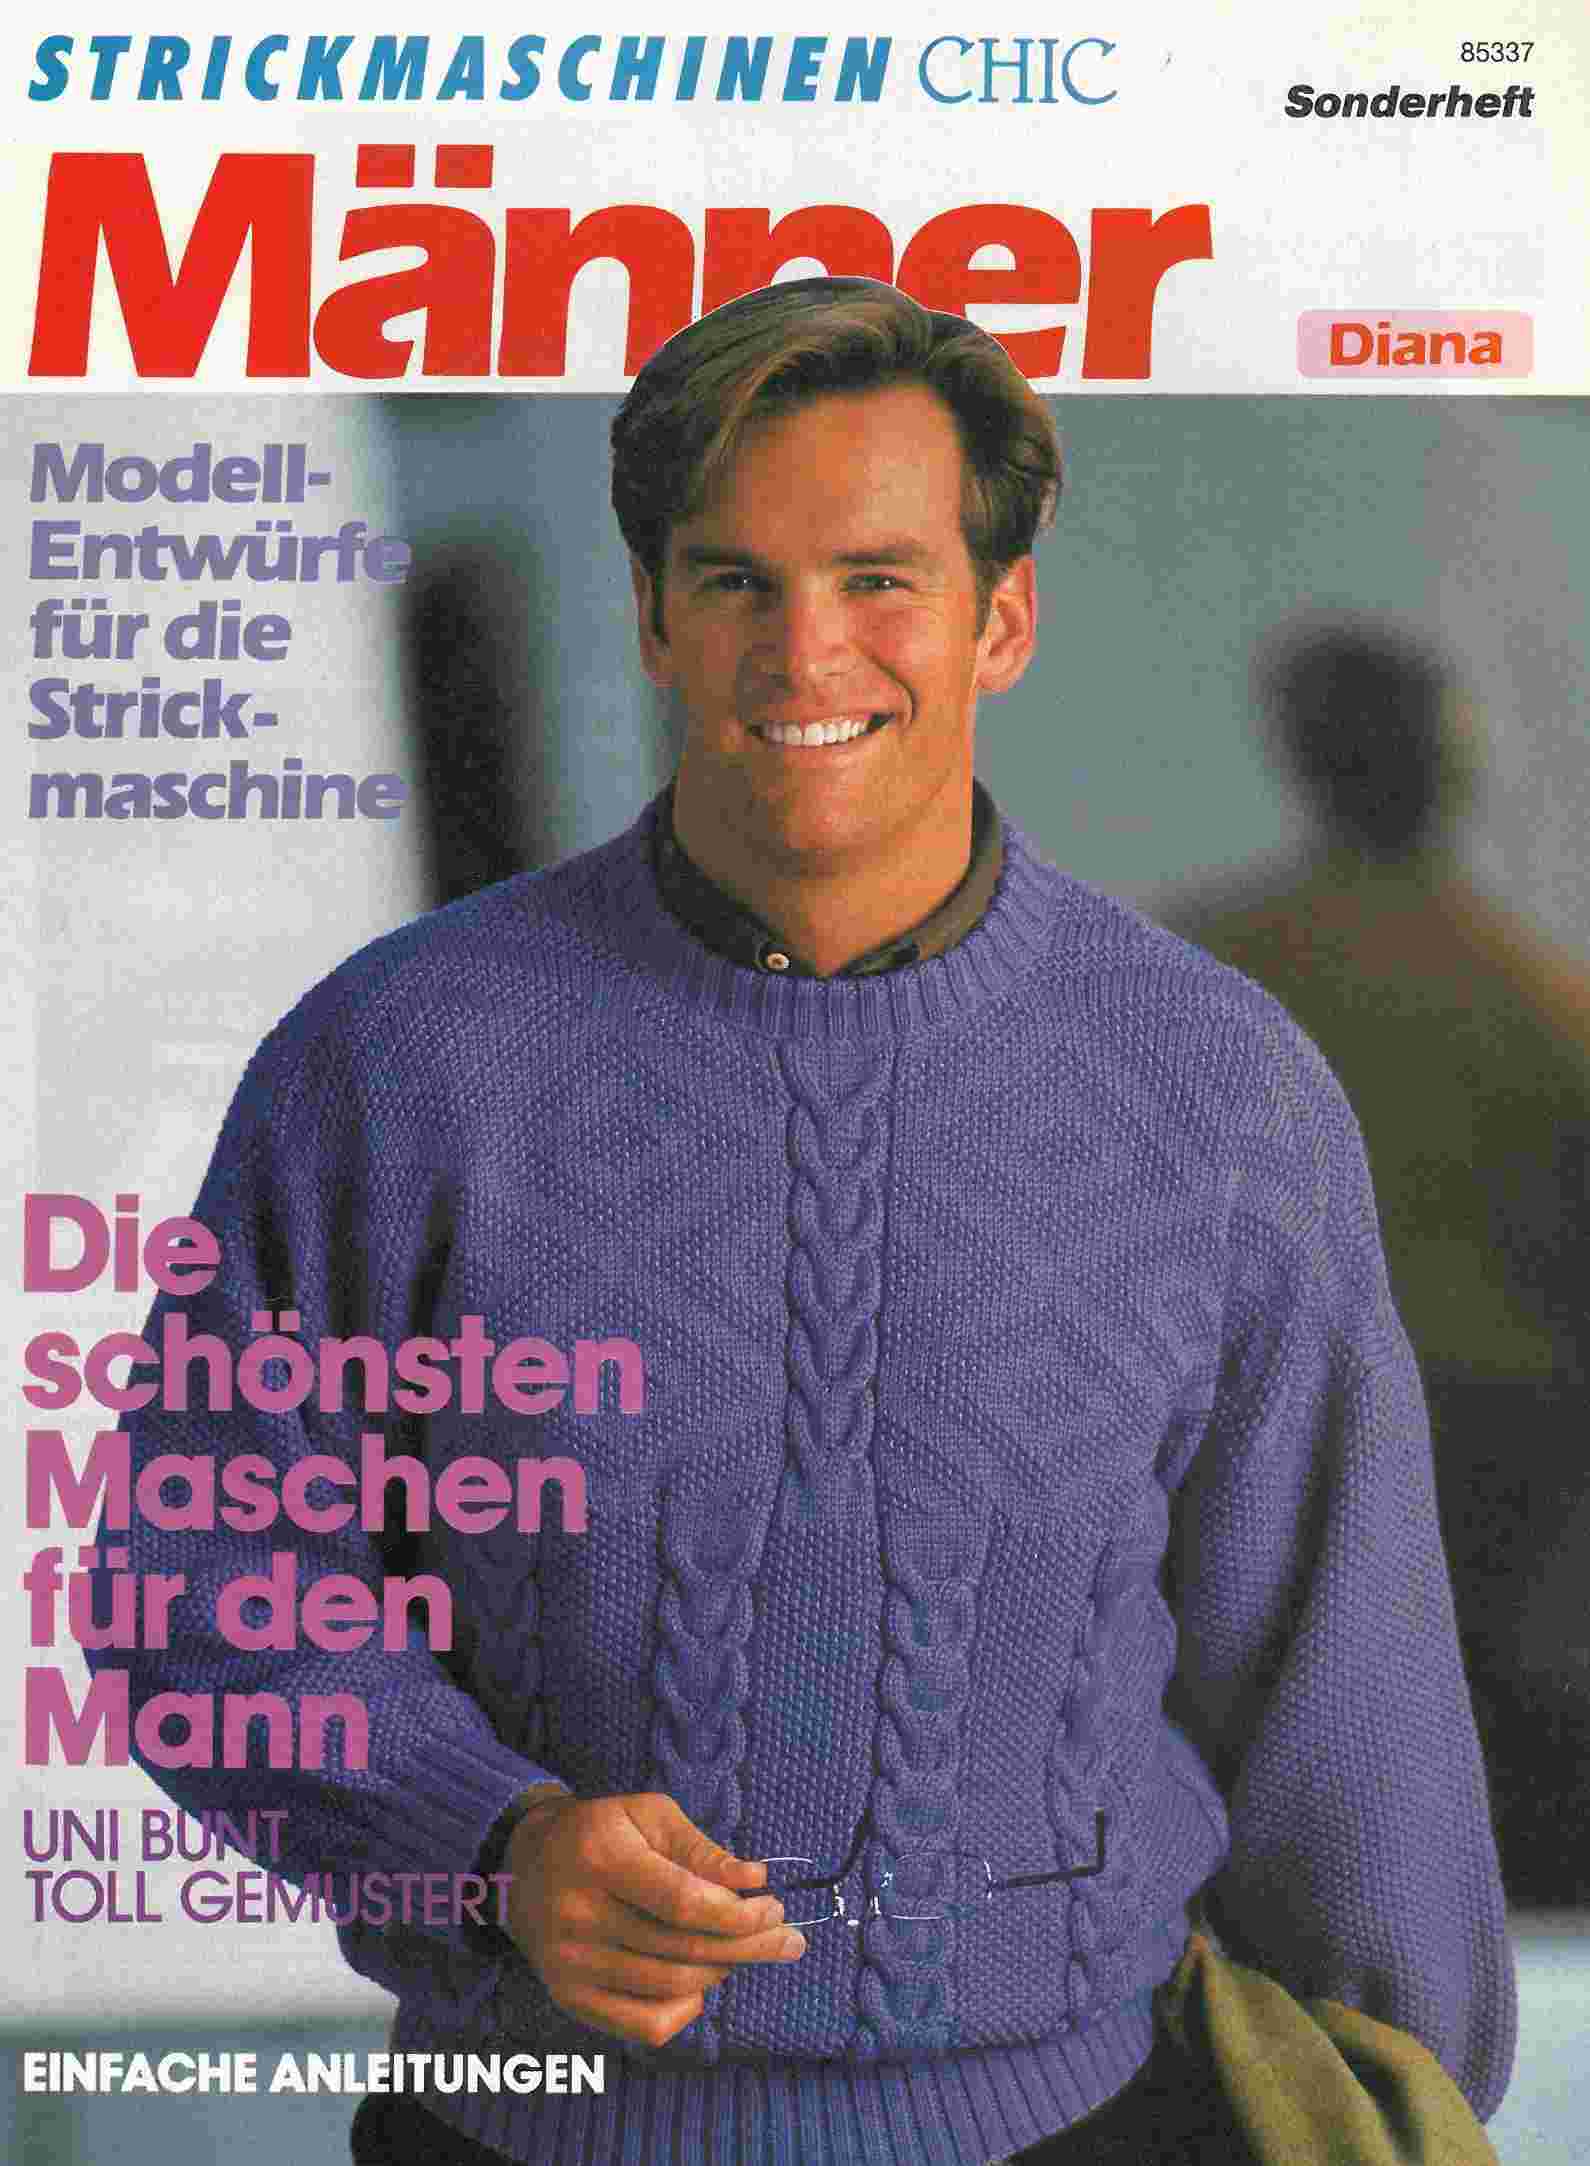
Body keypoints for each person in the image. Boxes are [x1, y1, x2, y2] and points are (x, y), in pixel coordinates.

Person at [98, 281, 1514, 2165]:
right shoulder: (397, 1059)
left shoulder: (1215, 1084)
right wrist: (487, 1843)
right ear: (652, 614)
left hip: (1095, 2125)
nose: (803, 648)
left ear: (1001, 617)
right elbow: (198, 1592)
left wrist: (1409, 2106)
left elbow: (1349, 1684)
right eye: (735, 581)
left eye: (877, 578)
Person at [1169, 618, 1590, 1905]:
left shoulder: (1213, 969)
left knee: (1277, 1702)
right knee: (1469, 1703)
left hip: (1270, 1403)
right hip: (1490, 1411)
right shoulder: (1535, 997)